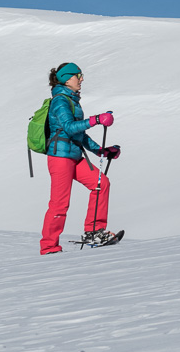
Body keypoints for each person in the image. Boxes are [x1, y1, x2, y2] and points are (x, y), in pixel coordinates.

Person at [41, 62, 121, 254]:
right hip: (60, 158)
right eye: (79, 75)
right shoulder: (60, 101)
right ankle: (49, 247)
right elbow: (69, 128)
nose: (82, 79)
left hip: (74, 155)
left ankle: (94, 231)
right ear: (67, 79)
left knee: (101, 183)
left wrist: (100, 151)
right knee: (59, 204)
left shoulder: (72, 100)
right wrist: (95, 120)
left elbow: (79, 134)